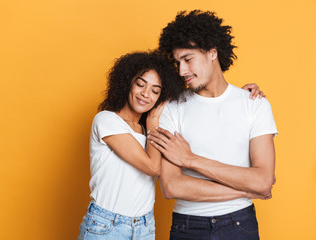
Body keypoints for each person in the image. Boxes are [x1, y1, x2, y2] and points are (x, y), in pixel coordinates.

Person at [77, 50, 264, 239]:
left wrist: (240, 98)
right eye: (140, 84)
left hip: (144, 226)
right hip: (106, 224)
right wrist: (153, 121)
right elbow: (152, 166)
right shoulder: (107, 120)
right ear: (127, 83)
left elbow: (204, 111)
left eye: (155, 90)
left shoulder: (148, 131)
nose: (145, 94)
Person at [147, 10, 278, 240]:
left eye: (188, 59)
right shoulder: (171, 108)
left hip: (240, 224)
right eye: (178, 63)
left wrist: (191, 160)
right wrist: (246, 190)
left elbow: (263, 179)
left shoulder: (254, 104)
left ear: (212, 53)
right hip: (187, 228)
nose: (182, 71)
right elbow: (172, 186)